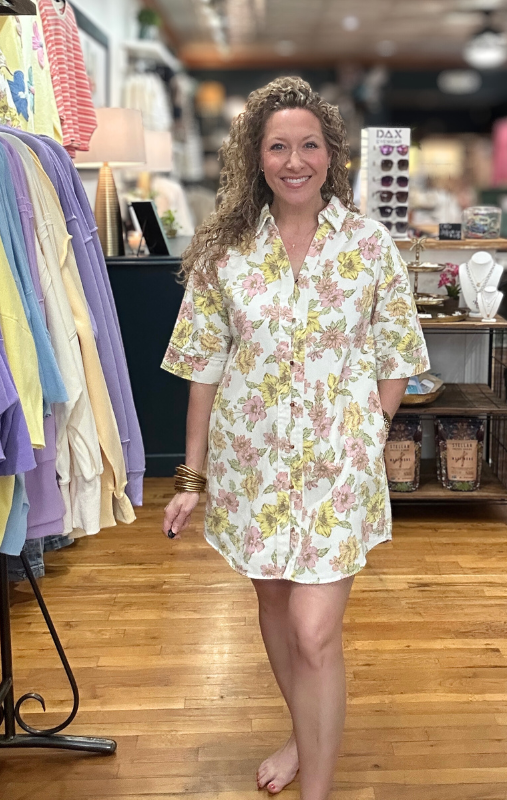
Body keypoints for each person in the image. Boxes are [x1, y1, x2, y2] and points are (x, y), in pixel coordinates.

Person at [161, 77, 429, 799]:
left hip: (338, 468)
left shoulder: (370, 246)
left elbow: (397, 355)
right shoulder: (225, 254)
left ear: (331, 154)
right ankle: (300, 730)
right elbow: (204, 367)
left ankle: (316, 786)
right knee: (276, 609)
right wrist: (191, 479)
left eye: (308, 144)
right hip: (253, 467)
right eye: (277, 146)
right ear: (256, 157)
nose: (294, 159)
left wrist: (367, 432)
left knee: (315, 631)